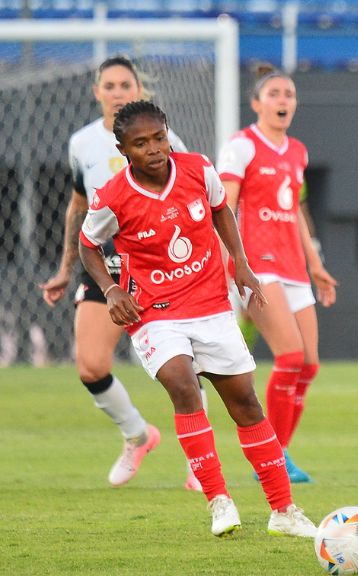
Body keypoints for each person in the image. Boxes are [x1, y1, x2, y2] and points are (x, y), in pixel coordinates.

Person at [78, 100, 317, 538]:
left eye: (159, 138)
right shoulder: (113, 196)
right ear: (123, 149)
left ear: (169, 133)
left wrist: (240, 263)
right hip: (153, 312)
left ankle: (283, 511)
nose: (153, 149)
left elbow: (221, 208)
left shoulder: (197, 169)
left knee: (244, 402)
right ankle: (218, 500)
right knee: (184, 385)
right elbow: (88, 245)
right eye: (141, 143)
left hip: (209, 304)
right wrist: (112, 290)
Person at [39, 55, 204, 491]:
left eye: (124, 85)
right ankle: (137, 435)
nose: (116, 92)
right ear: (97, 93)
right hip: (105, 263)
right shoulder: (82, 144)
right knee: (91, 366)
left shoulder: (171, 142)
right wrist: (64, 269)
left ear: (138, 91)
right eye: (108, 86)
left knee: (185, 368)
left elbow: (192, 200)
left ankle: (199, 459)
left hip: (159, 262)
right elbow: (78, 207)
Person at [217, 66, 337, 484]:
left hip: (294, 268)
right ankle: (272, 457)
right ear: (257, 103)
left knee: (309, 366)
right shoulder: (241, 146)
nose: (283, 100)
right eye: (274, 93)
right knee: (288, 358)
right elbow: (223, 207)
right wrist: (231, 263)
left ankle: (279, 454)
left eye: (289, 93)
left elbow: (295, 214)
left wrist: (316, 265)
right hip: (257, 266)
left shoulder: (298, 152)